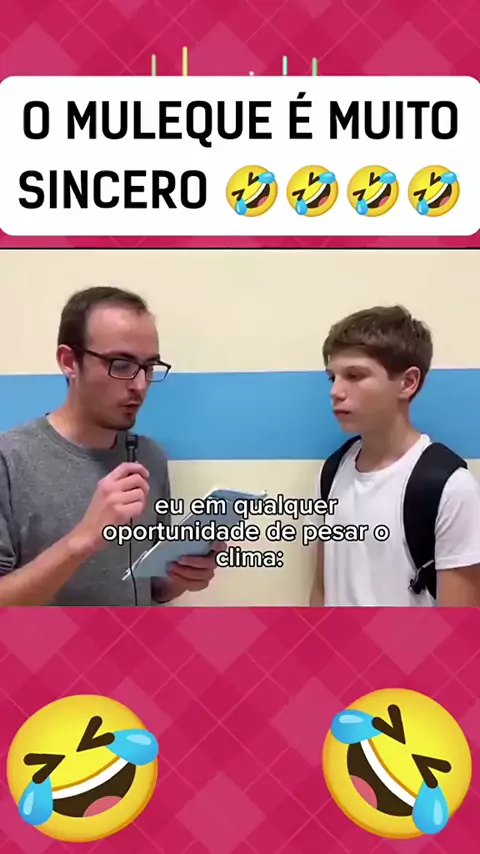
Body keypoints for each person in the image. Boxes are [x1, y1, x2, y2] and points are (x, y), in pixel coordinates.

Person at [0, 286, 220, 606]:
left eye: (148, 367)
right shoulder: (9, 460)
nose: (140, 385)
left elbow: (152, 589)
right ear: (69, 361)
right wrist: (82, 541)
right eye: (121, 364)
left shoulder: (149, 458)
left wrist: (180, 578)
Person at [309, 305, 480, 608]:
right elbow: (323, 590)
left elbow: (458, 626)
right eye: (332, 377)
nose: (335, 391)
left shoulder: (451, 487)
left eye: (354, 375)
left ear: (408, 382)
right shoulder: (332, 471)